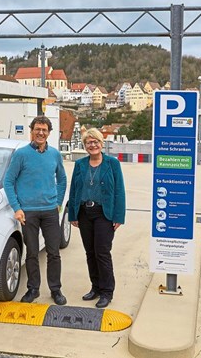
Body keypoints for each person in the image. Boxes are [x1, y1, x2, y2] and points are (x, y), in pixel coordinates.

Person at [4, 115, 67, 305]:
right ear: (31, 131)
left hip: (49, 211)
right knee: (31, 252)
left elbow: (62, 180)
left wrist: (58, 202)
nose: (41, 133)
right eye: (37, 129)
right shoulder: (21, 154)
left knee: (53, 253)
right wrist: (17, 207)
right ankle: (33, 289)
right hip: (28, 212)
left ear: (49, 133)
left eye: (44, 130)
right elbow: (9, 181)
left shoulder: (55, 154)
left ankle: (56, 289)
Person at [68, 128, 125, 308]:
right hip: (85, 213)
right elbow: (74, 190)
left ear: (101, 144)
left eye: (95, 142)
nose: (92, 145)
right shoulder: (80, 165)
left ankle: (107, 291)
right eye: (88, 142)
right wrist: (72, 214)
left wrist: (118, 216)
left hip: (104, 214)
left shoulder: (112, 164)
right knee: (90, 253)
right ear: (85, 146)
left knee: (102, 252)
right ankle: (95, 287)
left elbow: (119, 191)